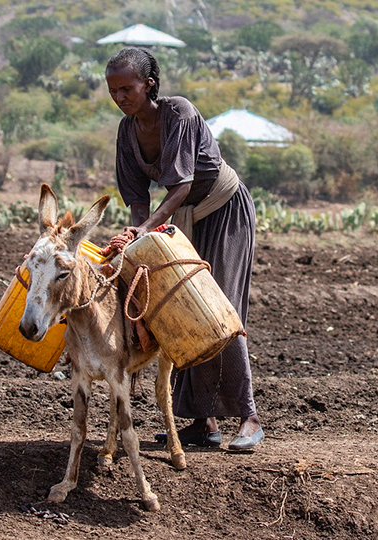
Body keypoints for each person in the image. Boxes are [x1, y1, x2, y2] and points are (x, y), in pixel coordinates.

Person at [104, 47, 263, 451]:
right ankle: (202, 420)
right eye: (113, 90)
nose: (120, 97)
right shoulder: (127, 132)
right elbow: (137, 195)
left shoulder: (179, 113)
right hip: (181, 218)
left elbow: (181, 186)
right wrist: (137, 230)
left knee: (218, 307)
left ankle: (249, 417)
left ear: (149, 85)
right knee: (176, 306)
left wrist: (145, 228)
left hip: (223, 210)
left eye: (127, 88)